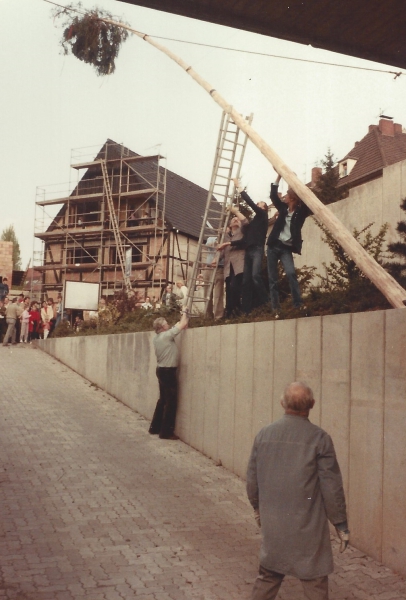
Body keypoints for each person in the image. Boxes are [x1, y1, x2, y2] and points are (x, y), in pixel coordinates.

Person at [246, 381, 349, 600]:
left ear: (282, 403)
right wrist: (340, 523)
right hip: (307, 527)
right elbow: (331, 486)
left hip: (274, 523)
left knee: (268, 576)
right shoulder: (320, 439)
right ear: (312, 404)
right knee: (315, 580)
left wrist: (257, 508)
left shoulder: (264, 435)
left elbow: (252, 480)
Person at [218, 178, 269, 314]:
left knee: (255, 276)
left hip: (257, 249)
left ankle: (268, 303)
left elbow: (250, 203)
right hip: (249, 251)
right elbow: (244, 227)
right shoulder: (253, 223)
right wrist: (234, 212)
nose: (258, 205)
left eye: (260, 204)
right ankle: (246, 311)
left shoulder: (263, 216)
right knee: (246, 282)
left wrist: (239, 187)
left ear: (263, 208)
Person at [266, 172, 312, 311]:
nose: (284, 196)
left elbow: (308, 201)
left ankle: (297, 304)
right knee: (273, 279)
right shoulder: (283, 208)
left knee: (291, 273)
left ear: (292, 198)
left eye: (286, 195)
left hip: (286, 248)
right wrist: (279, 176)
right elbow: (273, 195)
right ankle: (276, 309)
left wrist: (296, 182)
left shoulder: (301, 212)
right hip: (273, 246)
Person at [148, 309, 189, 440]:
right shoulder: (166, 336)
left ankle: (155, 427)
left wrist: (183, 319)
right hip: (168, 371)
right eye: (166, 324)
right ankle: (166, 432)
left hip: (161, 370)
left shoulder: (157, 338)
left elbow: (181, 326)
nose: (168, 324)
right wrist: (185, 311)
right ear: (162, 327)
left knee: (163, 400)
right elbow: (182, 325)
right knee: (171, 402)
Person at [220, 206, 248, 318]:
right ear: (230, 225)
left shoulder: (242, 232)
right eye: (233, 219)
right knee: (229, 290)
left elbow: (245, 222)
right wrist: (216, 259)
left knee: (236, 288)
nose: (235, 219)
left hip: (238, 265)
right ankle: (229, 312)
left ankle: (237, 311)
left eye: (237, 219)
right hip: (228, 267)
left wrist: (237, 212)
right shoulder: (226, 236)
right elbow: (222, 251)